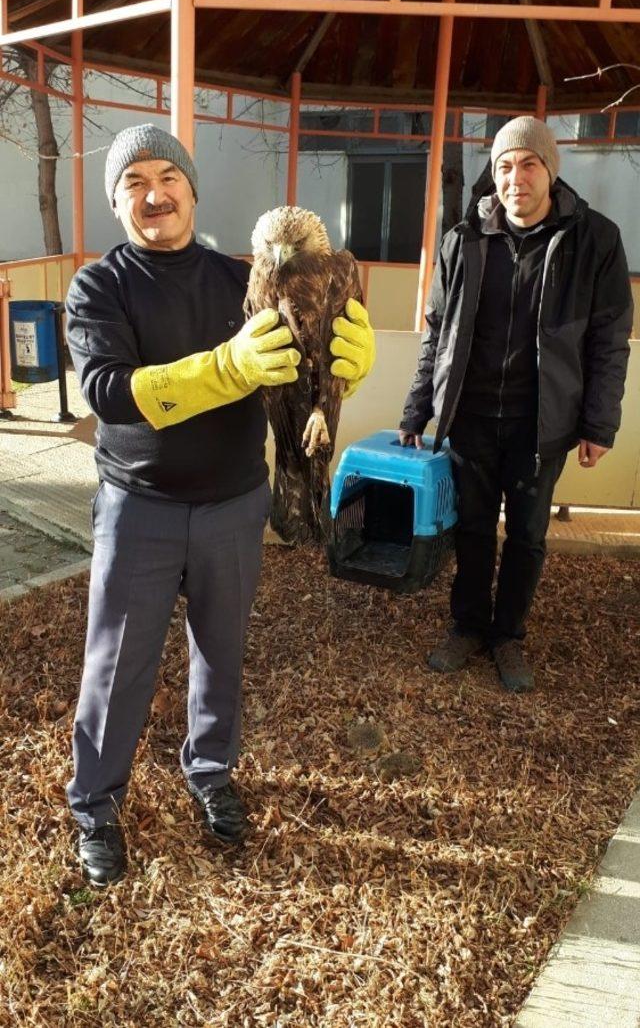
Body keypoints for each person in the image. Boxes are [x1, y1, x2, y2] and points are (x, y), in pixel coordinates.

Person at [65, 123, 375, 885]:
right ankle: (96, 805)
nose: (152, 193)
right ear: (116, 203)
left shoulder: (249, 273)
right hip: (139, 506)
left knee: (221, 656)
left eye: (165, 176)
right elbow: (106, 391)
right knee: (116, 667)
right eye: (131, 183)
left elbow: (300, 367)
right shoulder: (98, 287)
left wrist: (342, 372)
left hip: (235, 504)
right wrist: (224, 366)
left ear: (192, 191)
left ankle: (210, 773)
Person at [399, 115, 633, 694]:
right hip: (471, 417)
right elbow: (437, 333)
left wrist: (599, 424)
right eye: (504, 165)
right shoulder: (464, 239)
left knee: (527, 534)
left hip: (542, 424)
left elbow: (609, 339)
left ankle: (509, 635)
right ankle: (469, 625)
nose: (515, 177)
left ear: (550, 171)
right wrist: (416, 410)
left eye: (528, 163)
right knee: (473, 527)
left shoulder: (594, 240)